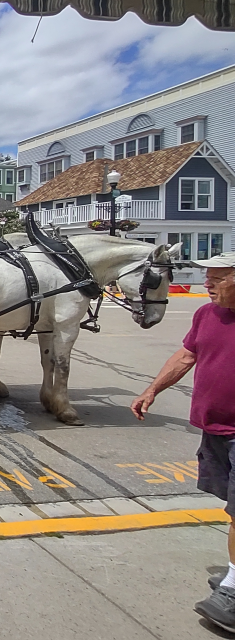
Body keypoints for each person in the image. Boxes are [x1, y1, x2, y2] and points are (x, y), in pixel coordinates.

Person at [130, 252, 235, 632]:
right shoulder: (207, 315)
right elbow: (187, 354)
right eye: (207, 276)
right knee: (230, 504)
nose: (207, 284)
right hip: (215, 428)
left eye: (218, 278)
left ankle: (234, 593)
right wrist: (152, 390)